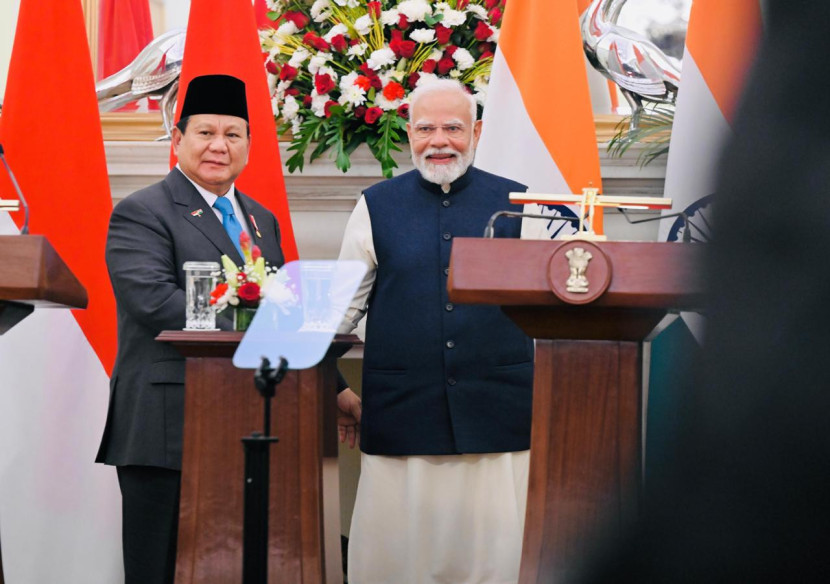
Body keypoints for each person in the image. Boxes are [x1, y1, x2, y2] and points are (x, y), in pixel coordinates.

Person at [336, 78, 534, 583]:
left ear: (477, 131)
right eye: (425, 128)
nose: (439, 140)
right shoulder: (375, 205)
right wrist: (324, 381)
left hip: (497, 417)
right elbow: (338, 312)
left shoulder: (521, 204)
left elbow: (557, 307)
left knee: (493, 562)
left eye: (453, 127)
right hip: (404, 415)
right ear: (408, 132)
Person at [95, 74, 285, 584]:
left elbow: (283, 314)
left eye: (233, 134)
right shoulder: (142, 211)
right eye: (205, 132)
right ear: (177, 140)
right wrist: (253, 326)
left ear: (249, 146)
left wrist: (336, 392)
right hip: (166, 426)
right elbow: (156, 301)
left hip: (249, 423)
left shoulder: (261, 220)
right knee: (159, 568)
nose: (219, 146)